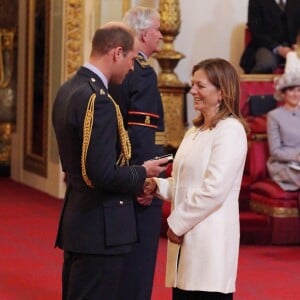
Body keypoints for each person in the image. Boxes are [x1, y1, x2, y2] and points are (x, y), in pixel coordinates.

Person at [52, 22, 168, 300]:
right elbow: (102, 173)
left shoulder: (69, 88)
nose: (131, 67)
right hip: (101, 226)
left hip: (79, 220)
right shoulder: (99, 100)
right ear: (117, 53)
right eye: (130, 58)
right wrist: (142, 172)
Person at [144, 58, 248, 300]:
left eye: (200, 86)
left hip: (209, 244)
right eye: (193, 85)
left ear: (221, 92)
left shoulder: (230, 131)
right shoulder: (194, 132)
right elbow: (182, 183)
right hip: (186, 243)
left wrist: (176, 223)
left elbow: (214, 189)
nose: (192, 91)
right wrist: (156, 184)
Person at [108, 6, 165, 300]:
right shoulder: (143, 74)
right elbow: (141, 135)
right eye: (157, 29)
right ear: (144, 34)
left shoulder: (113, 69)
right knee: (138, 266)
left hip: (116, 172)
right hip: (138, 178)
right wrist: (145, 179)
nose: (161, 35)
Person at [240, 0, 300, 74]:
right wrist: (279, 49)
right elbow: (256, 31)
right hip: (267, 46)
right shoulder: (256, 1)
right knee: (265, 65)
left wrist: (298, 45)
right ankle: (255, 84)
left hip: (295, 47)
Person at [267, 72, 300, 191]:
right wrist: (297, 157)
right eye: (291, 90)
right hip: (283, 165)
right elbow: (275, 152)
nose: (296, 94)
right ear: (283, 93)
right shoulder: (274, 116)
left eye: (298, 90)